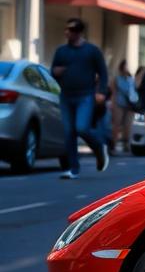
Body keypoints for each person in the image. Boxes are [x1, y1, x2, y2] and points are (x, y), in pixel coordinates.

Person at [50, 18, 110, 179]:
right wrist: (56, 72)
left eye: (71, 30)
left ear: (79, 32)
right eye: (66, 29)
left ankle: (99, 147)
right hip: (66, 96)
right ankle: (73, 169)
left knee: (81, 128)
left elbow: (103, 73)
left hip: (85, 95)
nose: (67, 32)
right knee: (69, 132)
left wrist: (101, 92)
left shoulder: (91, 51)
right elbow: (53, 71)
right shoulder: (61, 51)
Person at [110, 60, 137, 154]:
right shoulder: (117, 78)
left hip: (130, 104)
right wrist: (112, 104)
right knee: (116, 125)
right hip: (119, 103)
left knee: (128, 125)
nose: (127, 68)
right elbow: (113, 92)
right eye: (126, 66)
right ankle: (113, 145)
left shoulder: (131, 79)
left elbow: (134, 90)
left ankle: (127, 145)